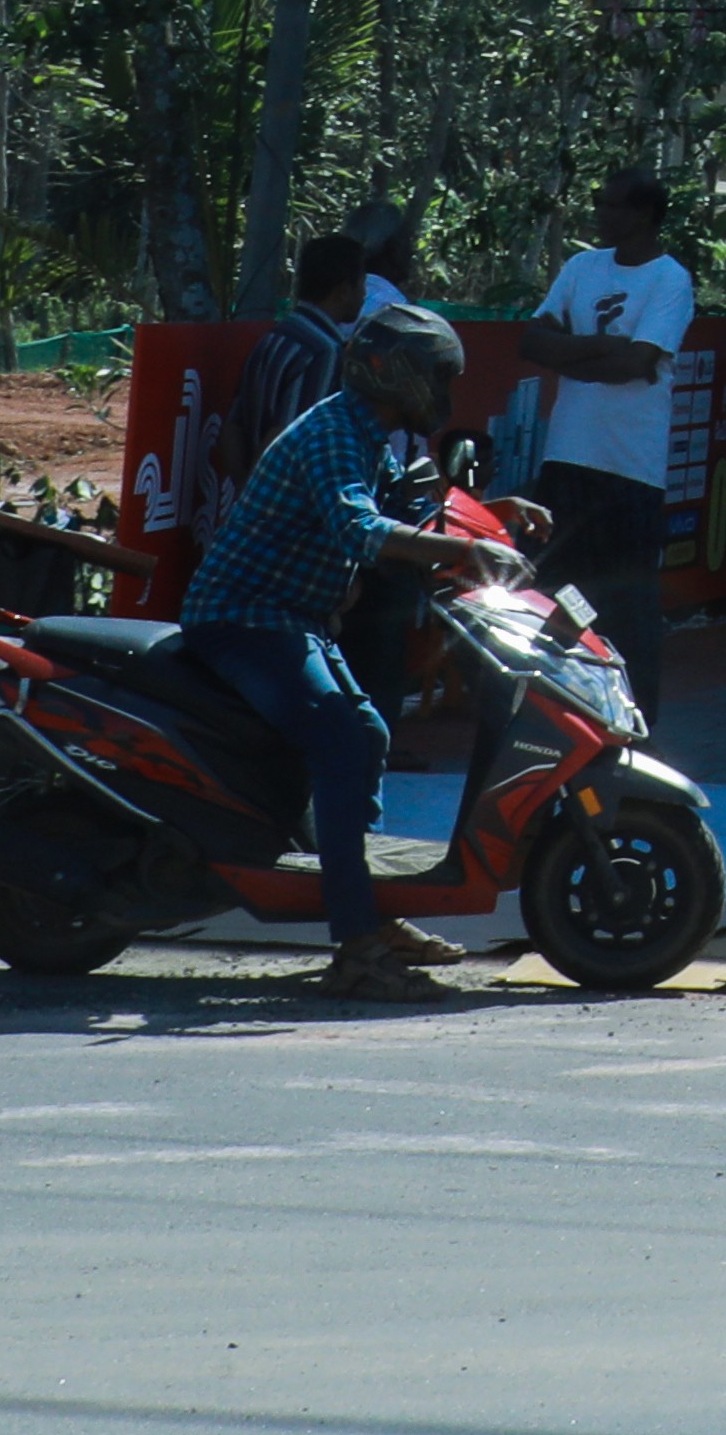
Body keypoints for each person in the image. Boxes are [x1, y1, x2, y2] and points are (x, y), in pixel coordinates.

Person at [177, 297, 513, 1004]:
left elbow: (408, 511)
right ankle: (357, 945)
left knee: (369, 733)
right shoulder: (334, 434)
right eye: (438, 378)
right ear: (397, 374)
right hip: (245, 617)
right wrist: (463, 553)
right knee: (340, 739)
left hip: (292, 618)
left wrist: (496, 519)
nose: (443, 395)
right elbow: (361, 530)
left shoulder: (366, 435)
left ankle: (374, 913)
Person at [514, 167, 700, 712]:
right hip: (567, 458)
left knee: (627, 605)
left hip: (629, 468)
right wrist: (604, 349)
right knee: (552, 594)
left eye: (611, 204)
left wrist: (573, 354)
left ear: (644, 214)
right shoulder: (581, 267)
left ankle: (634, 718)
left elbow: (637, 363)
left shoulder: (670, 280)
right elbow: (533, 340)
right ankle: (551, 710)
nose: (600, 213)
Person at [244, 228, 373, 451]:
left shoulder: (274, 337)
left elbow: (233, 428)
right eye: (362, 284)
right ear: (344, 291)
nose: (364, 295)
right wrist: (259, 475)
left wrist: (241, 473)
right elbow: (286, 438)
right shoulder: (325, 353)